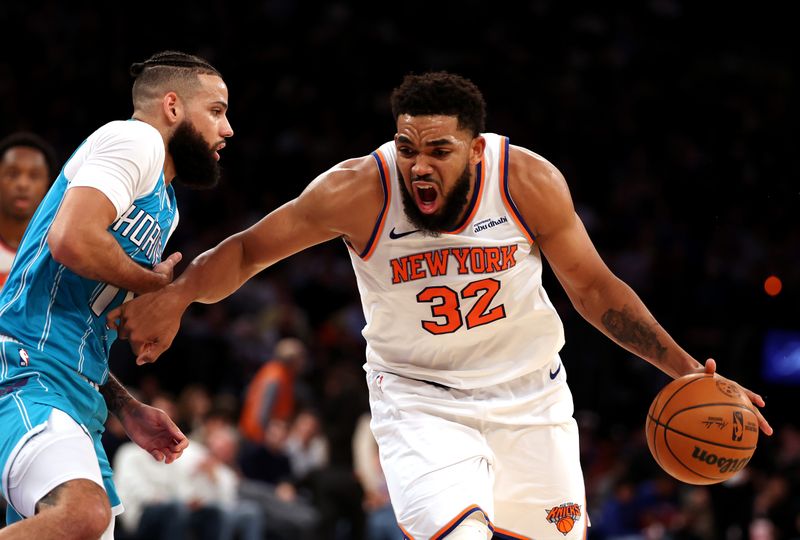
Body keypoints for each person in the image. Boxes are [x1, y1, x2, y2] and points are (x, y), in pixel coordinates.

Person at [110, 72, 771, 540]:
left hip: (530, 397)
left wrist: (687, 370)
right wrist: (178, 295)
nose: (418, 165)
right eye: (407, 147)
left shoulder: (526, 181)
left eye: (438, 150)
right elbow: (250, 250)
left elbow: (595, 291)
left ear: (476, 149)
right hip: (421, 400)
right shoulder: (359, 188)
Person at [0, 50, 233, 539]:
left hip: (75, 388)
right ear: (172, 107)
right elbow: (70, 239)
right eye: (216, 110)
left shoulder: (164, 206)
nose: (227, 129)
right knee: (83, 515)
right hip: (24, 367)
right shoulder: (136, 139)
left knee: (82, 522)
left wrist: (126, 407)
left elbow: (78, 318)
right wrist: (154, 284)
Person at [0, 132, 59, 287]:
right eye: (13, 174)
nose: (23, 184)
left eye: (34, 176)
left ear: (48, 184)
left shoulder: (59, 250)